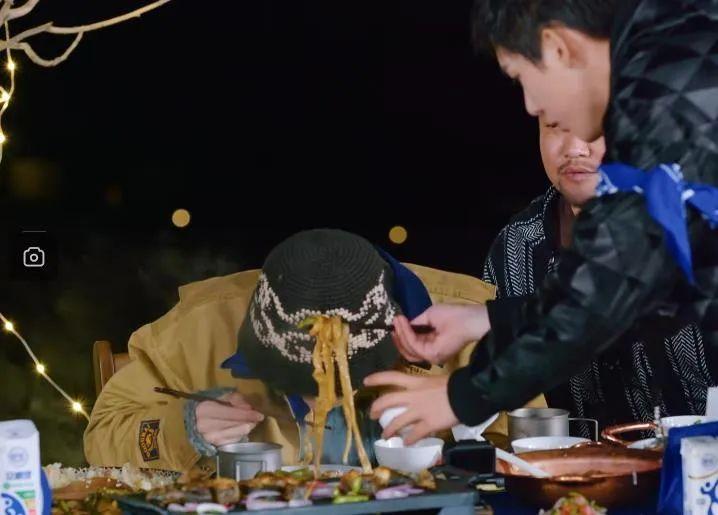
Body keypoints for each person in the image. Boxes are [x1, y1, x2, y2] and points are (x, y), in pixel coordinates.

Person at [367, 0, 718, 445]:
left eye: (520, 77)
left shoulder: (673, 79)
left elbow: (615, 272)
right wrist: (490, 318)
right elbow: (648, 293)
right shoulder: (674, 51)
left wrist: (464, 396)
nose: (533, 107)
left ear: (556, 47)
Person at [84, 229, 543, 471]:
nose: (314, 402)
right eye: (292, 376)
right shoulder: (201, 327)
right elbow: (102, 435)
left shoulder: (470, 324)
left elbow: (539, 453)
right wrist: (184, 429)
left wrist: (468, 429)